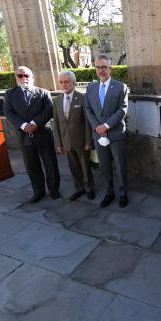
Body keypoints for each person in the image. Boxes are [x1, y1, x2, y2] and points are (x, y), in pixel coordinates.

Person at [4, 66, 60, 203]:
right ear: (16, 78)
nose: (23, 78)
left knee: (50, 164)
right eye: (20, 76)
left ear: (32, 77)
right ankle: (38, 191)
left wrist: (35, 123)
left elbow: (49, 109)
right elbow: (9, 113)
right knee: (31, 166)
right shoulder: (10, 94)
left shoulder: (43, 92)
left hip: (43, 134)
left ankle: (54, 190)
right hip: (24, 136)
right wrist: (24, 125)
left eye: (26, 75)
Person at [84, 54, 129, 208]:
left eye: (104, 67)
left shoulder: (120, 86)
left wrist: (107, 125)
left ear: (111, 69)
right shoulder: (91, 88)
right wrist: (97, 126)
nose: (100, 70)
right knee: (104, 166)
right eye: (98, 67)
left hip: (116, 134)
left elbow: (123, 109)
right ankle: (109, 192)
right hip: (99, 135)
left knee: (120, 166)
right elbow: (88, 109)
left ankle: (123, 194)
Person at [52, 70, 95, 201]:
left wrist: (88, 141)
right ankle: (79, 188)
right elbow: (56, 124)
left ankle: (89, 188)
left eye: (67, 82)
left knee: (85, 166)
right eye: (61, 82)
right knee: (73, 167)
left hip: (81, 141)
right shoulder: (57, 101)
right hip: (66, 142)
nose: (64, 85)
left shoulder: (82, 98)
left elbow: (88, 123)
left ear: (73, 82)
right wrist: (58, 143)